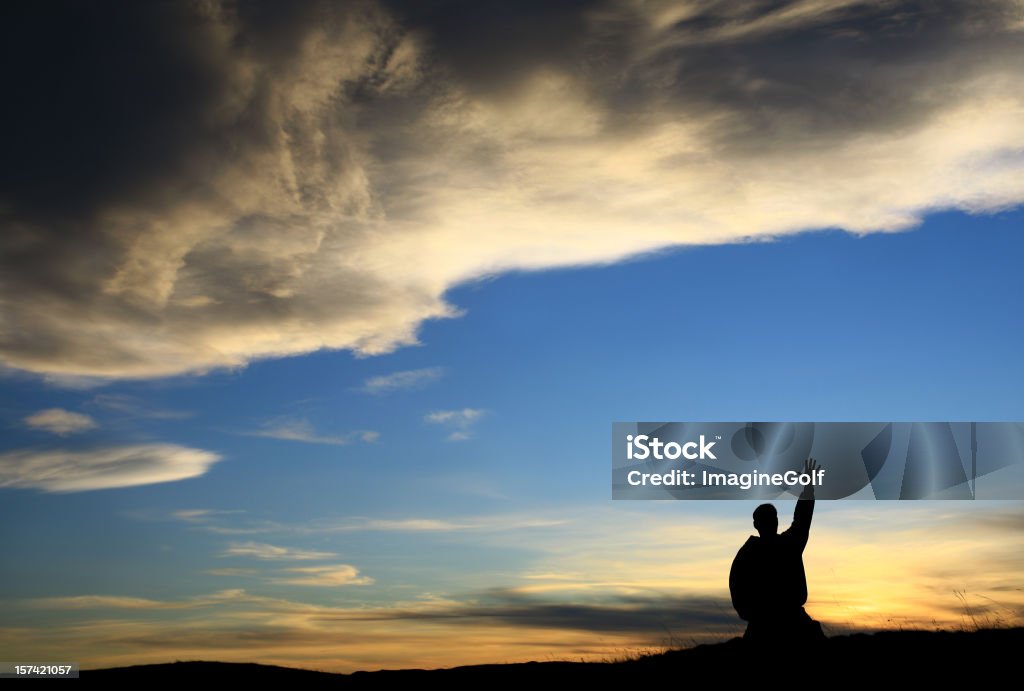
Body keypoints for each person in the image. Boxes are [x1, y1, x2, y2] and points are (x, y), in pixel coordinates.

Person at [729, 458, 825, 645]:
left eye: (772, 517)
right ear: (757, 524)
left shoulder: (783, 545)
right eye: (768, 518)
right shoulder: (753, 553)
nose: (771, 521)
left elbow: (802, 520)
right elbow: (738, 590)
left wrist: (808, 490)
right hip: (768, 626)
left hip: (786, 622)